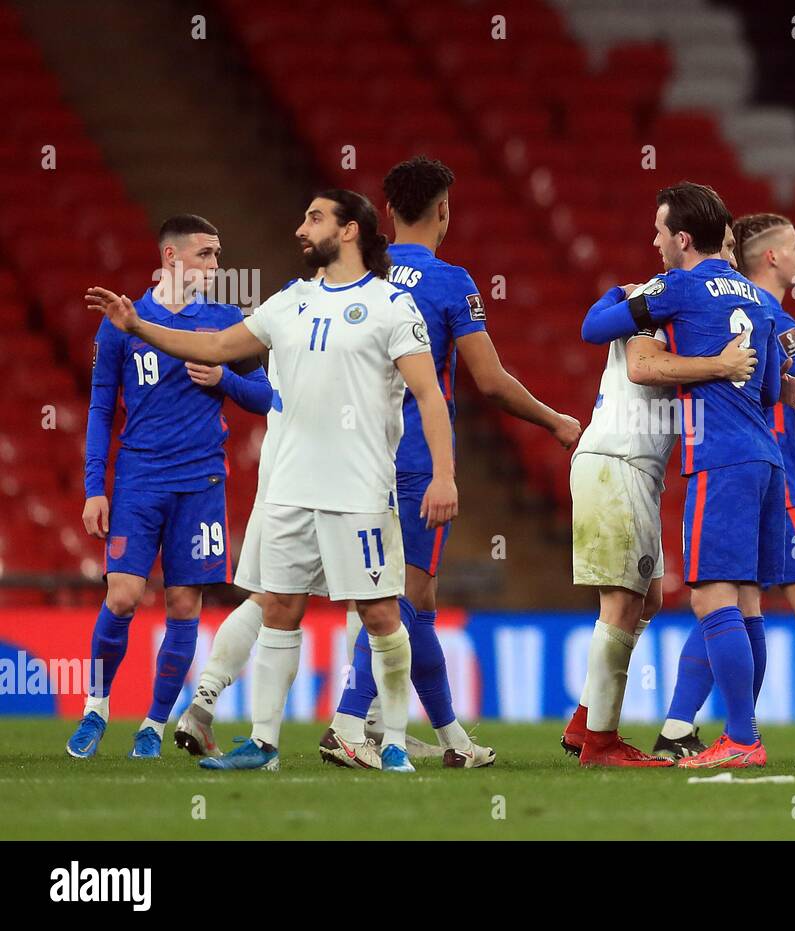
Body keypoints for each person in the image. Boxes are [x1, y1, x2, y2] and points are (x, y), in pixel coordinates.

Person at [86, 189, 456, 773]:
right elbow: (213, 346)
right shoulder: (290, 301)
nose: (300, 230)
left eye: (314, 218)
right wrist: (139, 326)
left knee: (382, 613)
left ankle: (389, 742)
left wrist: (444, 474)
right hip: (287, 489)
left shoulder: (391, 305)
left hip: (358, 488)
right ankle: (263, 744)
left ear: (351, 230)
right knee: (279, 605)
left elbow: (430, 395)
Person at [322, 156, 581, 769]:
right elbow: (488, 380)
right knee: (405, 597)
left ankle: (450, 739)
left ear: (387, 211)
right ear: (444, 210)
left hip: (353, 456)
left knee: (419, 600)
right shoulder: (450, 282)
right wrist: (555, 420)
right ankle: (347, 723)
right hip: (413, 460)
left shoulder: (356, 275)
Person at [581, 182, 795, 769]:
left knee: (709, 598)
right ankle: (742, 734)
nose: (655, 243)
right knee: (748, 602)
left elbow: (595, 328)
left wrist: (622, 293)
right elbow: (773, 385)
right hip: (767, 458)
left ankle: (742, 739)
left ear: (681, 238)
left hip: (720, 458)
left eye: (659, 232)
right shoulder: (756, 296)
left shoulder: (678, 286)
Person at [66, 215, 271, 760]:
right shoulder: (123, 321)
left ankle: (153, 726)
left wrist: (224, 378)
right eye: (206, 254)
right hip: (139, 477)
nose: (215, 265)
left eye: (218, 254)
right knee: (124, 594)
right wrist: (95, 487)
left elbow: (267, 396)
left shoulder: (227, 322)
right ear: (172, 258)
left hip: (202, 480)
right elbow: (101, 405)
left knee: (184, 604)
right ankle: (96, 707)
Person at [651, 213, 795, 759]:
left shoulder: (723, 307)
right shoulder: (774, 318)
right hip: (765, 475)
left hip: (759, 471)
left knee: (732, 599)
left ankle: (682, 726)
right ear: (770, 256)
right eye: (794, 245)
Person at [562, 224, 759, 767]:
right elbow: (642, 365)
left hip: (637, 469)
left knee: (645, 598)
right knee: (622, 601)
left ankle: (585, 721)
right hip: (615, 461)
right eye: (725, 252)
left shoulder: (679, 301)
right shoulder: (664, 298)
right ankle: (599, 744)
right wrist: (719, 365)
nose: (730, 268)